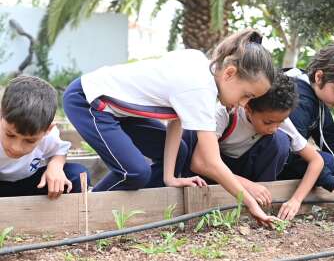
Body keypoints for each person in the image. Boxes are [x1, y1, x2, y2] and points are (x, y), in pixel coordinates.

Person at [63, 29, 276, 225]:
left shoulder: (201, 66)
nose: (244, 104)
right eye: (247, 95)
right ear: (229, 73)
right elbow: (212, 162)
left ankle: (133, 210)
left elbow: (176, 119)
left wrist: (170, 178)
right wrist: (250, 203)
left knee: (180, 151)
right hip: (89, 101)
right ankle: (86, 212)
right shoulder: (200, 88)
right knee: (135, 172)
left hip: (118, 109)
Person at [181, 74, 334, 220]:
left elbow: (316, 160)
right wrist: (248, 186)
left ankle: (262, 203)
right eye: (268, 122)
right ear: (248, 107)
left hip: (245, 170)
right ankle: (250, 198)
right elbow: (200, 163)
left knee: (280, 141)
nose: (274, 127)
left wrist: (296, 200)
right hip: (212, 173)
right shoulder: (225, 113)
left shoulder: (278, 120)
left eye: (280, 121)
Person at [279, 44, 334, 197]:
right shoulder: (298, 99)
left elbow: (331, 140)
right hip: (272, 163)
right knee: (328, 162)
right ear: (319, 77)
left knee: (333, 162)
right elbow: (291, 152)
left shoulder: (318, 99)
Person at [0, 76, 89, 198]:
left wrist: (55, 166)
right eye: (10, 135)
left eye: (29, 140)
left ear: (47, 130)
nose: (16, 147)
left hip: (31, 185)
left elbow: (59, 151)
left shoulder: (49, 135)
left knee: (77, 174)